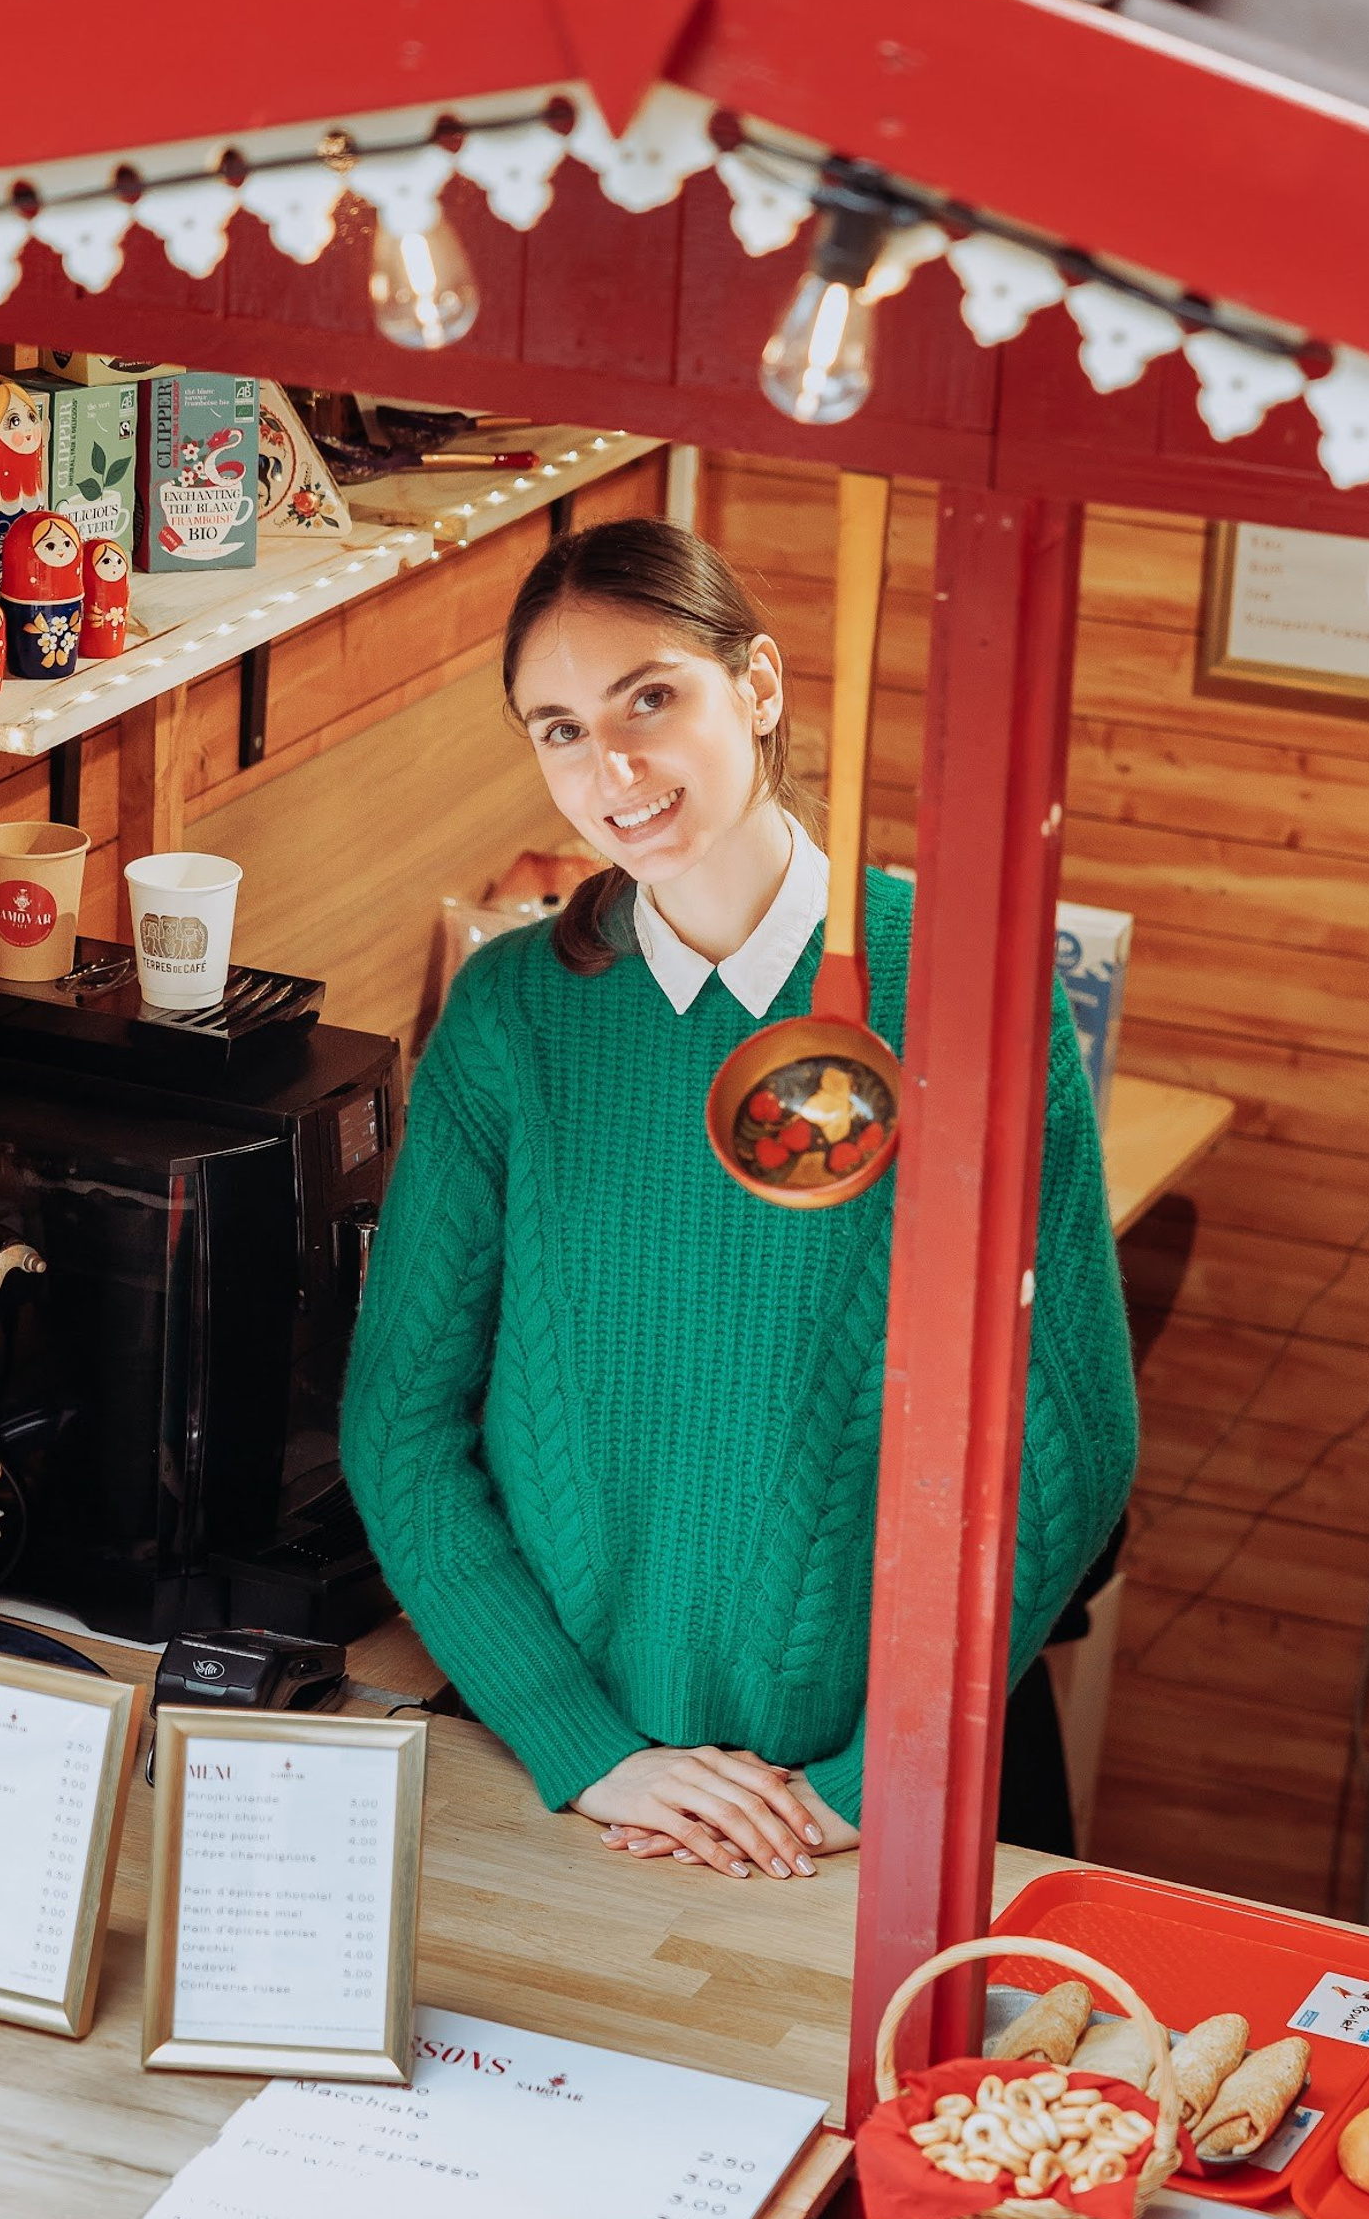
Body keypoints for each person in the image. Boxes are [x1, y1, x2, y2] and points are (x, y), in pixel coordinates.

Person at [339, 515, 1138, 1882]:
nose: (616, 770)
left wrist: (863, 1783)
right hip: (598, 1807)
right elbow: (399, 1427)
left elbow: (1068, 1445)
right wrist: (583, 1745)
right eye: (563, 729)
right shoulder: (510, 1025)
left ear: (757, 688)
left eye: (651, 697)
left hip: (876, 1808)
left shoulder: (970, 990)